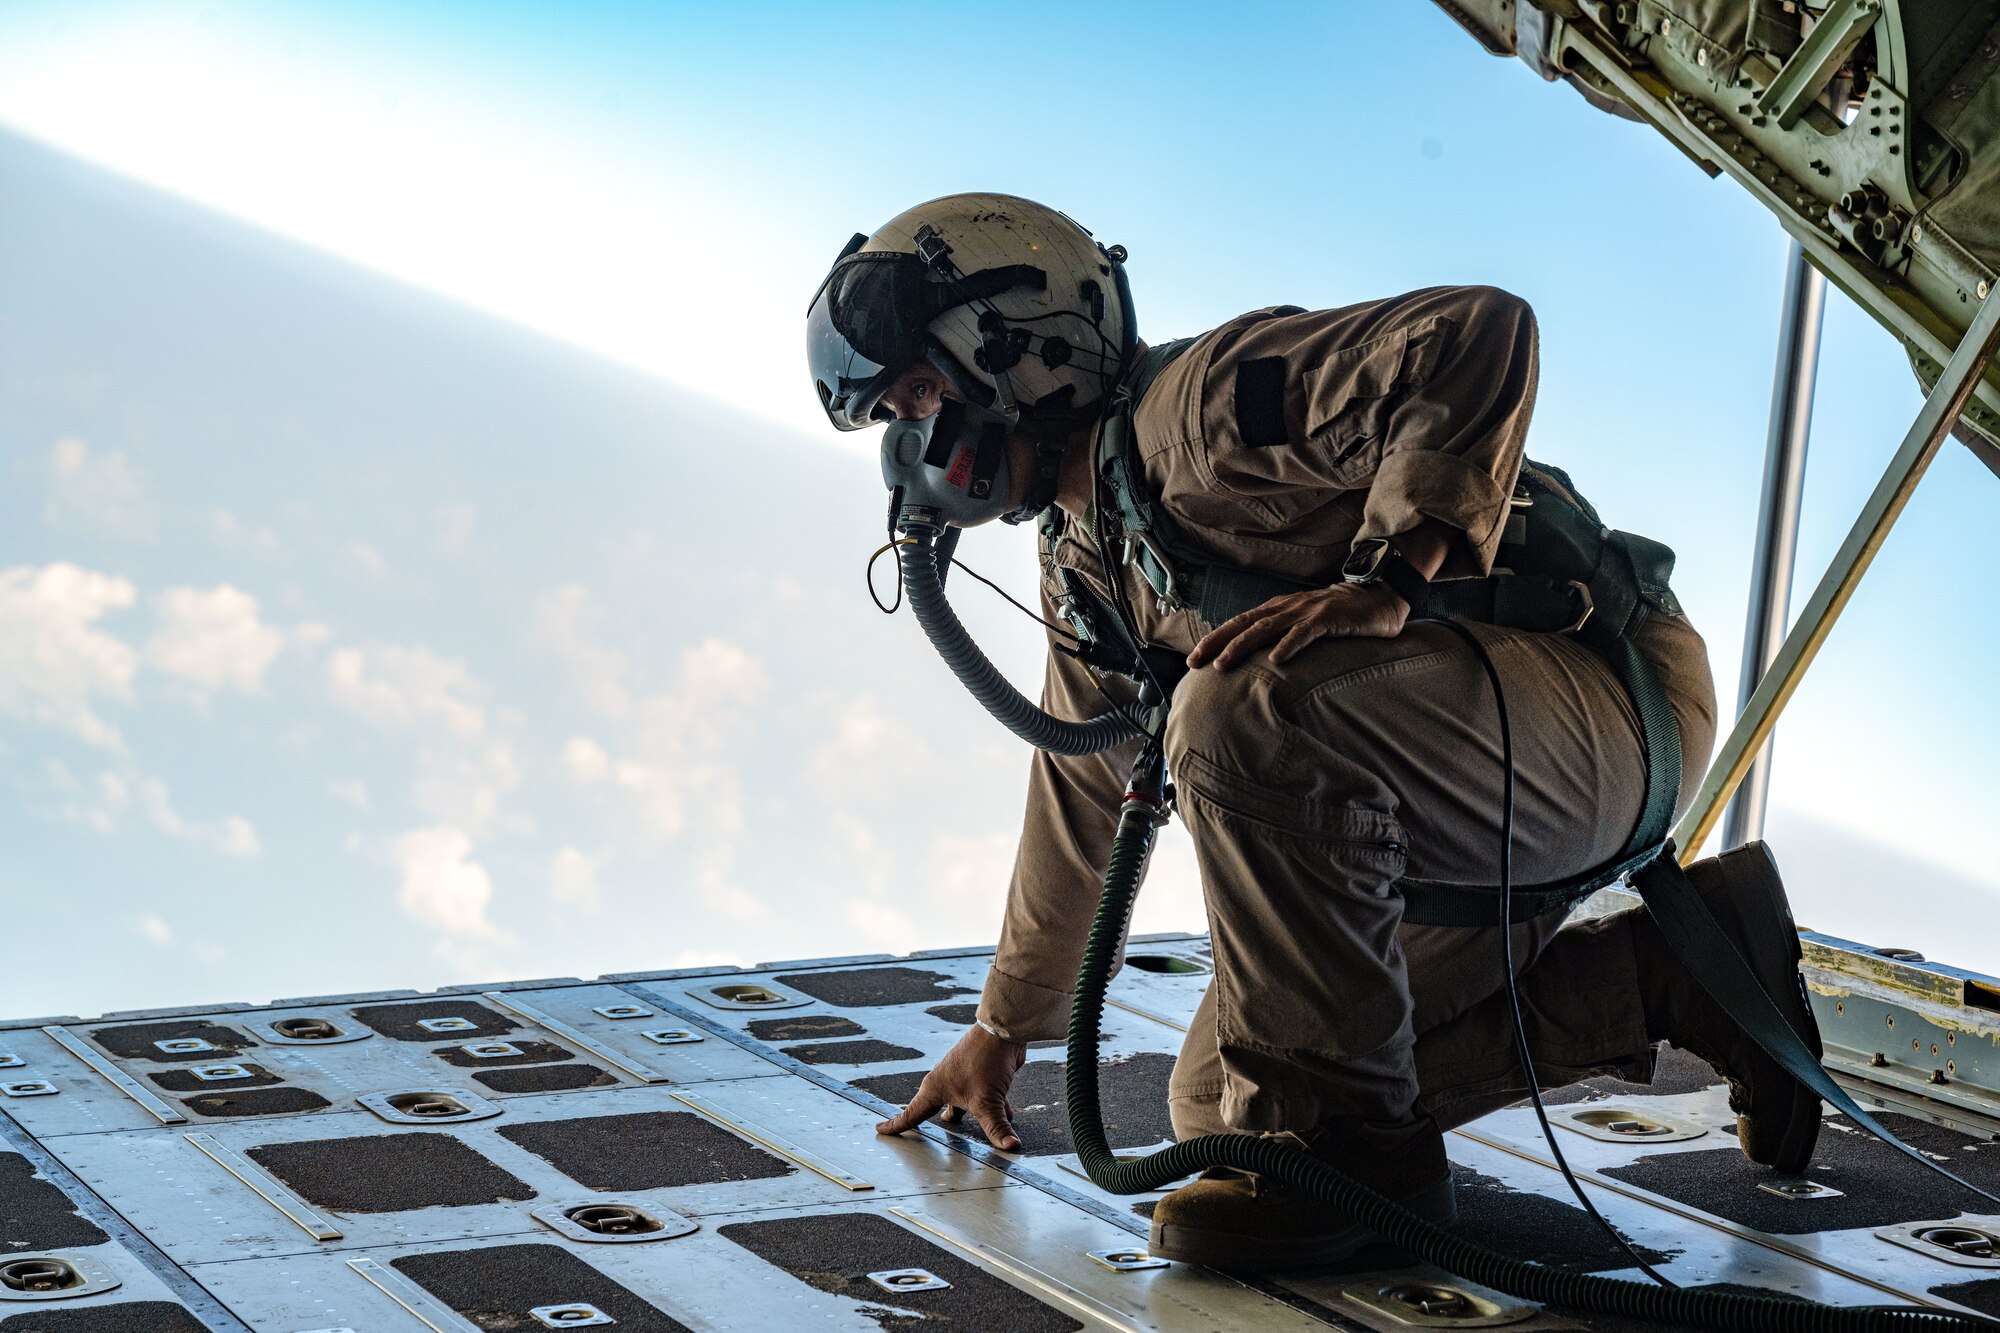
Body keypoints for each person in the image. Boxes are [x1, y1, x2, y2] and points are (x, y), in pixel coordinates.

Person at [805, 192, 1821, 1271]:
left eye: (915, 394)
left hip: (1604, 691)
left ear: (1018, 346)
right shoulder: (1082, 560)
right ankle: (1681, 970)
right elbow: (1079, 783)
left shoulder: (1195, 414)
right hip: (1469, 760)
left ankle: (1368, 1166)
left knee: (1242, 704)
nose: (910, 442)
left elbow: (1475, 332)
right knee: (1225, 1108)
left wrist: (1389, 576)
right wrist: (1001, 1031)